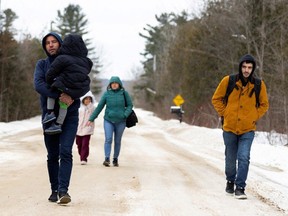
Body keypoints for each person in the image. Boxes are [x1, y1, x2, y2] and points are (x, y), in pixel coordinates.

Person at [212, 54, 269, 199]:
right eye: (244, 67)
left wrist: (253, 116)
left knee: (244, 157)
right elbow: (216, 98)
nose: (246, 70)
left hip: (247, 129)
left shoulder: (258, 85)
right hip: (229, 127)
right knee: (230, 158)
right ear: (240, 67)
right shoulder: (228, 81)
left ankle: (240, 187)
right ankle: (230, 181)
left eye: (249, 67)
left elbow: (264, 104)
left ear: (253, 69)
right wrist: (225, 113)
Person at [34, 32, 80, 205]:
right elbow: (38, 85)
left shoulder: (71, 62)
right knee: (52, 155)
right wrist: (61, 94)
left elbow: (83, 84)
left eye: (54, 42)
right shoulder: (42, 64)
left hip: (71, 115)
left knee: (66, 152)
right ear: (45, 46)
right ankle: (54, 189)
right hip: (49, 117)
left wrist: (72, 96)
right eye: (47, 43)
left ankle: (63, 191)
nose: (51, 45)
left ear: (60, 44)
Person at [43, 33, 92, 135]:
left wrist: (51, 82)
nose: (51, 45)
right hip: (74, 89)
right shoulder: (87, 62)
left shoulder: (62, 58)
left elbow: (50, 74)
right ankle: (58, 124)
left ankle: (49, 113)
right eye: (48, 43)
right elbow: (85, 80)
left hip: (62, 84)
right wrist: (71, 94)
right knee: (63, 105)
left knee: (52, 90)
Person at [87, 76, 133, 167]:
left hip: (121, 121)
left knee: (117, 141)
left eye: (116, 83)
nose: (114, 85)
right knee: (108, 139)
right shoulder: (106, 94)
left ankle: (115, 159)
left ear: (119, 84)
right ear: (110, 85)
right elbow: (99, 107)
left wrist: (125, 115)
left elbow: (130, 106)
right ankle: (107, 158)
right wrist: (91, 118)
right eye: (112, 83)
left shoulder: (124, 93)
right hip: (108, 120)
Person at [76, 91, 95, 165]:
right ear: (82, 99)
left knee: (85, 144)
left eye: (89, 99)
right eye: (86, 99)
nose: (88, 100)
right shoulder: (79, 108)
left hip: (87, 128)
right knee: (79, 144)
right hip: (78, 128)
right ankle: (82, 155)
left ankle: (84, 158)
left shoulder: (92, 107)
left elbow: (93, 112)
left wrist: (89, 105)